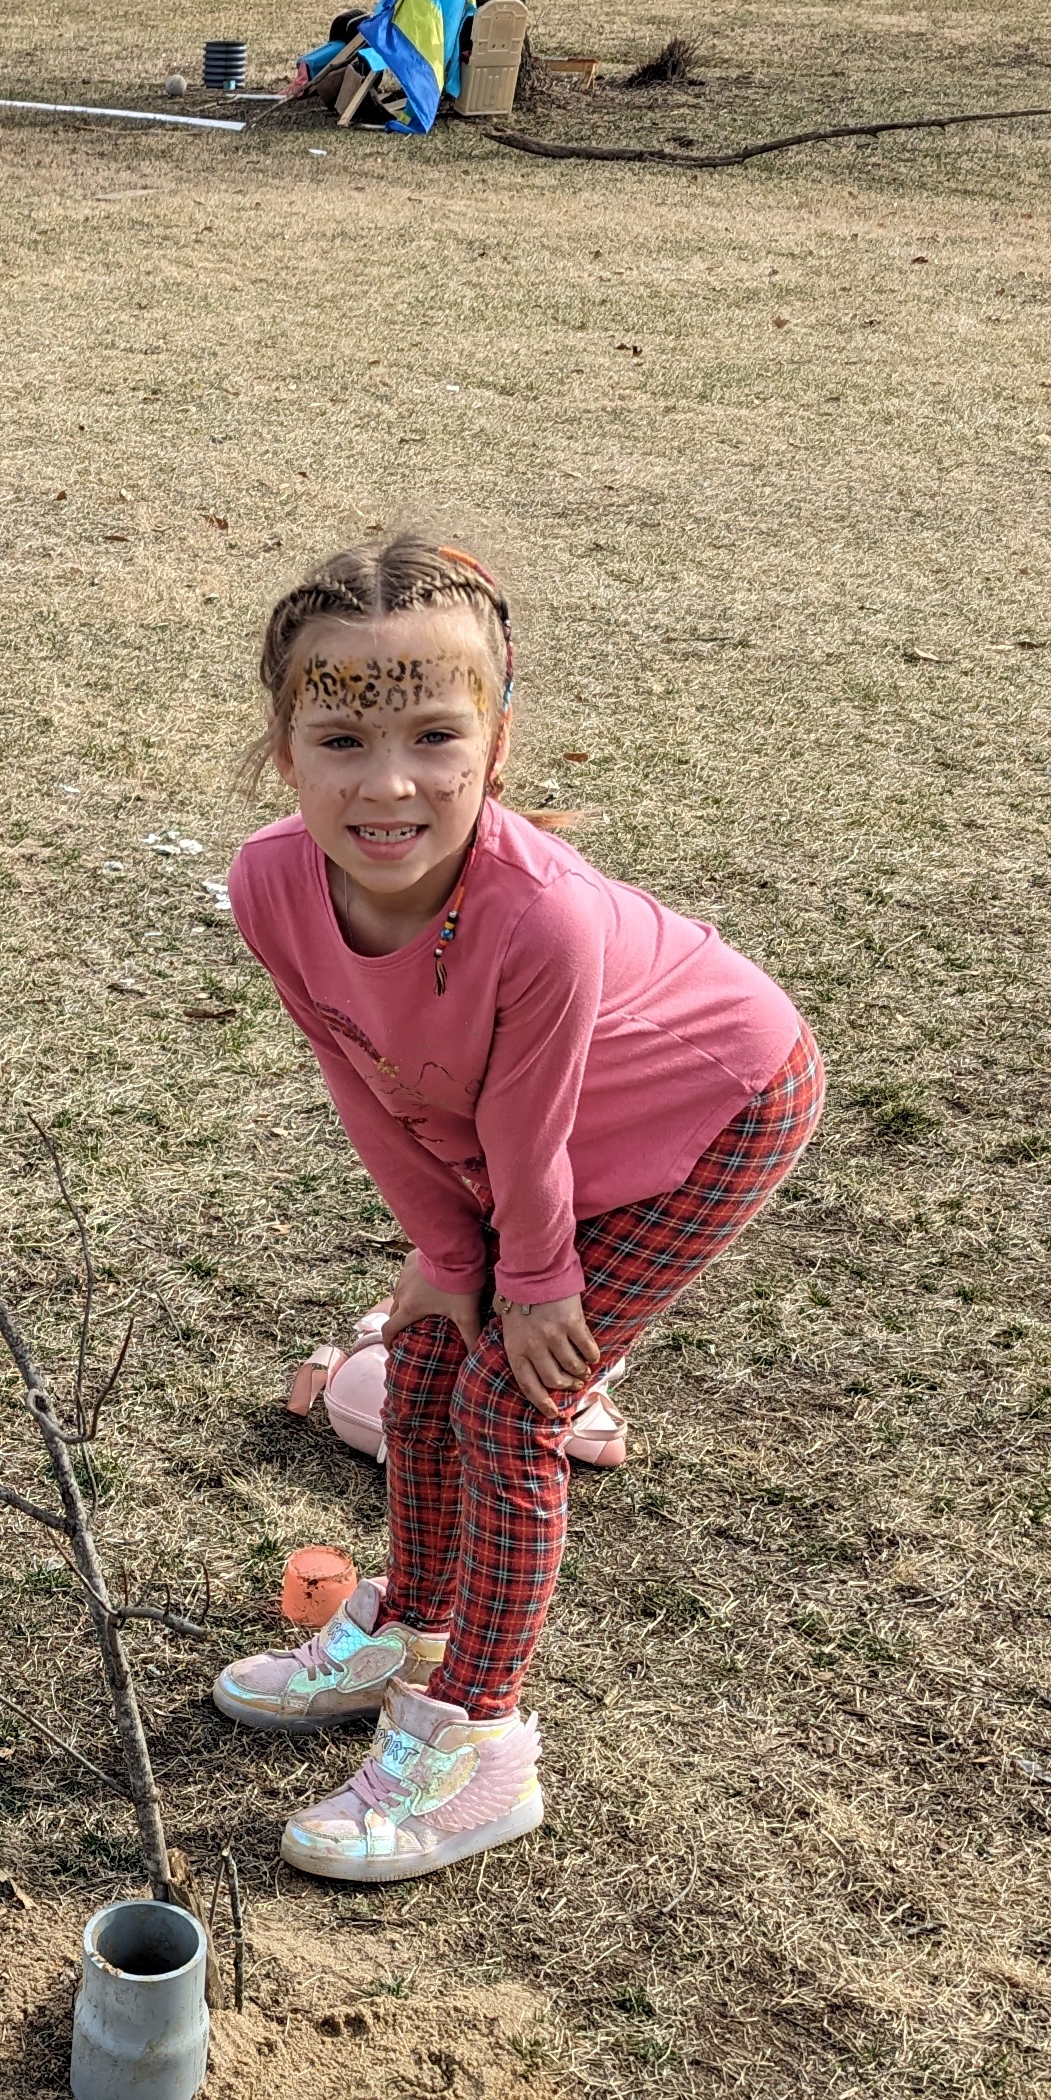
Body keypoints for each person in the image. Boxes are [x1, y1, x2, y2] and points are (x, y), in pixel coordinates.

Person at [212, 530, 822, 1883]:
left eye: (436, 736)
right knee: (425, 1347)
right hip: (530, 1144)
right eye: (341, 741)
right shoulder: (269, 882)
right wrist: (444, 1255)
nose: (389, 786)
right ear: (280, 744)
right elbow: (363, 1076)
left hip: (715, 1104)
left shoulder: (540, 918)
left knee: (511, 1399)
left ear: (499, 739)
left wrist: (533, 1282)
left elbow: (526, 1121)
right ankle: (409, 1625)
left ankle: (475, 1738)